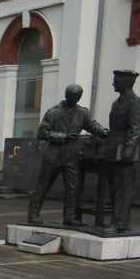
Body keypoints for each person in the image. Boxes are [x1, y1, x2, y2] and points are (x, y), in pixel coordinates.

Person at [27, 84, 107, 226]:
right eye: (72, 96)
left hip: (72, 157)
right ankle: (33, 215)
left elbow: (92, 126)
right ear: (66, 95)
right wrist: (63, 136)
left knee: (73, 188)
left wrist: (104, 132)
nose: (74, 99)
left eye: (77, 97)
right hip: (53, 156)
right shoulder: (54, 112)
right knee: (43, 186)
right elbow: (42, 133)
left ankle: (69, 217)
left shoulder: (83, 113)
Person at [103, 68, 140, 232]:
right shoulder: (117, 103)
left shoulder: (135, 102)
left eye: (116, 80)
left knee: (124, 189)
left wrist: (129, 149)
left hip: (124, 151)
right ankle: (117, 220)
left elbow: (135, 128)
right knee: (114, 188)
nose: (113, 83)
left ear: (126, 82)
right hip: (113, 150)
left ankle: (120, 222)